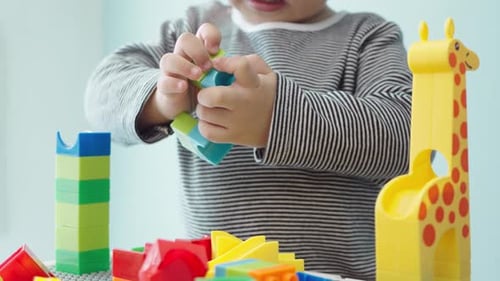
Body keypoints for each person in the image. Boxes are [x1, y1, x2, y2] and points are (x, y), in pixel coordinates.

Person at [85, 0, 412, 280]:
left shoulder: (368, 37)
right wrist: (163, 96)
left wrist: (276, 119)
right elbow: (100, 98)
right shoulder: (193, 29)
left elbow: (407, 138)